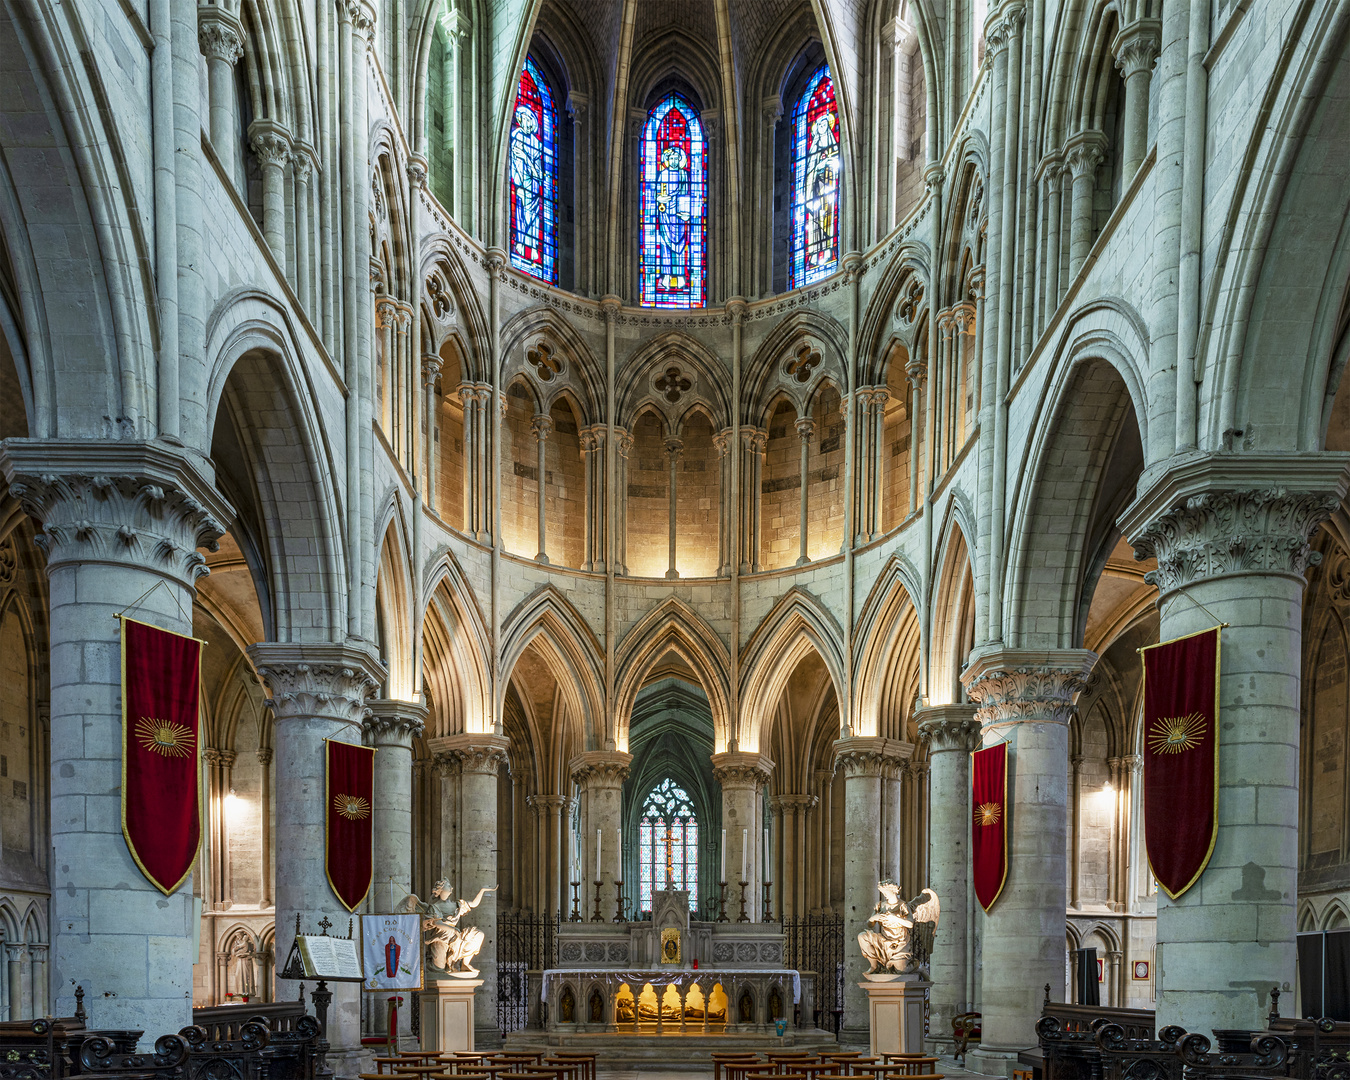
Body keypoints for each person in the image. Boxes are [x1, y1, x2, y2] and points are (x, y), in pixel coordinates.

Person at [403, 879, 497, 977]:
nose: (451, 887)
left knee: (478, 934)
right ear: (441, 889)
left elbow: (473, 904)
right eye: (448, 885)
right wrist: (453, 929)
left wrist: (482, 890)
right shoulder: (435, 907)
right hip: (441, 937)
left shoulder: (457, 905)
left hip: (455, 937)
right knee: (438, 970)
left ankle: (465, 964)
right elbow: (437, 923)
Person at [654, 144, 694, 292]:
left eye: (677, 158)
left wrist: (687, 213)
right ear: (667, 159)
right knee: (665, 246)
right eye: (671, 158)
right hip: (665, 216)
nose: (674, 160)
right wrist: (660, 199)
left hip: (679, 216)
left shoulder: (684, 175)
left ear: (680, 159)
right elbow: (657, 195)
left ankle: (681, 276)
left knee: (681, 247)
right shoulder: (663, 174)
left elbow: (688, 196)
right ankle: (666, 276)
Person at [509, 104, 544, 265]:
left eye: (529, 120)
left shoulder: (536, 144)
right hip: (521, 184)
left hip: (534, 187)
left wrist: (526, 157)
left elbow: (539, 174)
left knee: (533, 218)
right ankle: (521, 244)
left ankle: (534, 247)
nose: (526, 124)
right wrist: (519, 183)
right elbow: (512, 164)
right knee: (521, 214)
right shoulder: (515, 135)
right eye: (523, 120)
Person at [804, 110, 840, 266]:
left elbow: (838, 167)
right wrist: (820, 165)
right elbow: (809, 173)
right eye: (819, 125)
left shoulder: (834, 148)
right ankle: (814, 252)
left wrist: (831, 164)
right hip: (815, 191)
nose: (822, 127)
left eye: (825, 124)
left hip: (828, 191)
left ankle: (827, 249)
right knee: (814, 222)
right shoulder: (813, 150)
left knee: (828, 220)